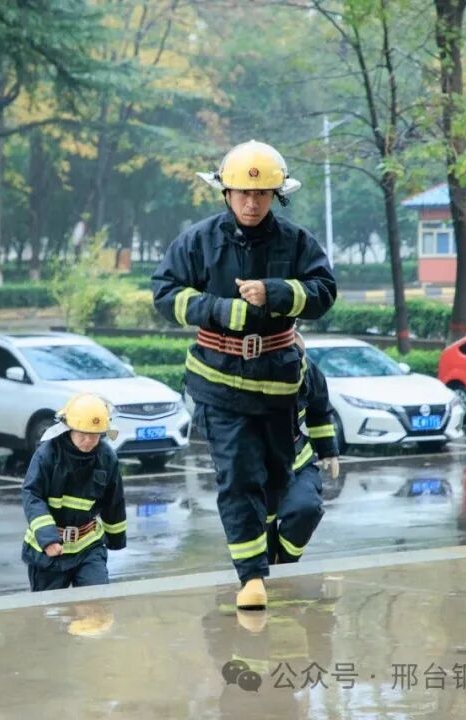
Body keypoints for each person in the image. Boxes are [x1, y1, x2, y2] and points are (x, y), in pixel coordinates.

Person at [152, 140, 337, 611]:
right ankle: (251, 577)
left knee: (274, 480)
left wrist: (276, 292)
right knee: (237, 477)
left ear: (277, 195)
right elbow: (164, 293)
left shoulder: (296, 242)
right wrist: (218, 310)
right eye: (242, 193)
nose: (251, 203)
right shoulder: (198, 241)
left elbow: (324, 291)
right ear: (226, 193)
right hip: (218, 384)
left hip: (277, 384)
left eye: (261, 194)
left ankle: (273, 559)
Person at [20, 393, 127, 591]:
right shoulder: (47, 454)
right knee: (50, 608)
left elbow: (114, 501)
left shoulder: (107, 457)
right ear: (69, 428)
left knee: (96, 603)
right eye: (82, 434)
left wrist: (116, 539)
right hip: (49, 549)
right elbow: (32, 495)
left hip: (88, 545)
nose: (89, 440)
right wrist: (48, 538)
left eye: (95, 435)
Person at [267, 337, 339, 565]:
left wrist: (328, 451)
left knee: (306, 508)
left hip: (296, 460)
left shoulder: (304, 365)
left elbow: (319, 409)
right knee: (260, 536)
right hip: (253, 466)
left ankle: (285, 562)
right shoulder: (237, 364)